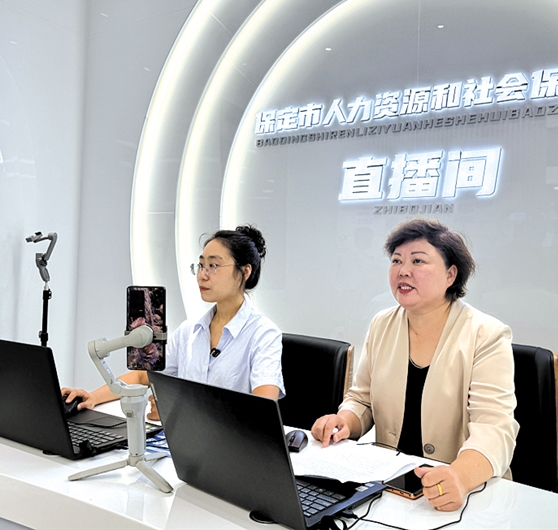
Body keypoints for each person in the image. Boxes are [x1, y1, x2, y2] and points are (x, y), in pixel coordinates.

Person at [311, 218, 518, 512]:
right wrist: (344, 420)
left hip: (466, 496)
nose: (403, 270)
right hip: (392, 490)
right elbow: (362, 399)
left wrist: (460, 476)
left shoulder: (487, 334)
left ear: (450, 275)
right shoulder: (382, 324)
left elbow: (494, 429)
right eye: (396, 260)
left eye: (418, 261)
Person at [62, 224, 285, 419]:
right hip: (184, 444)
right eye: (201, 265)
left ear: (244, 272)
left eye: (213, 266)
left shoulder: (264, 335)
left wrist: (177, 414)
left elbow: (262, 412)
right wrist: (92, 397)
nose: (202, 275)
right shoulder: (190, 331)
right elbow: (142, 375)